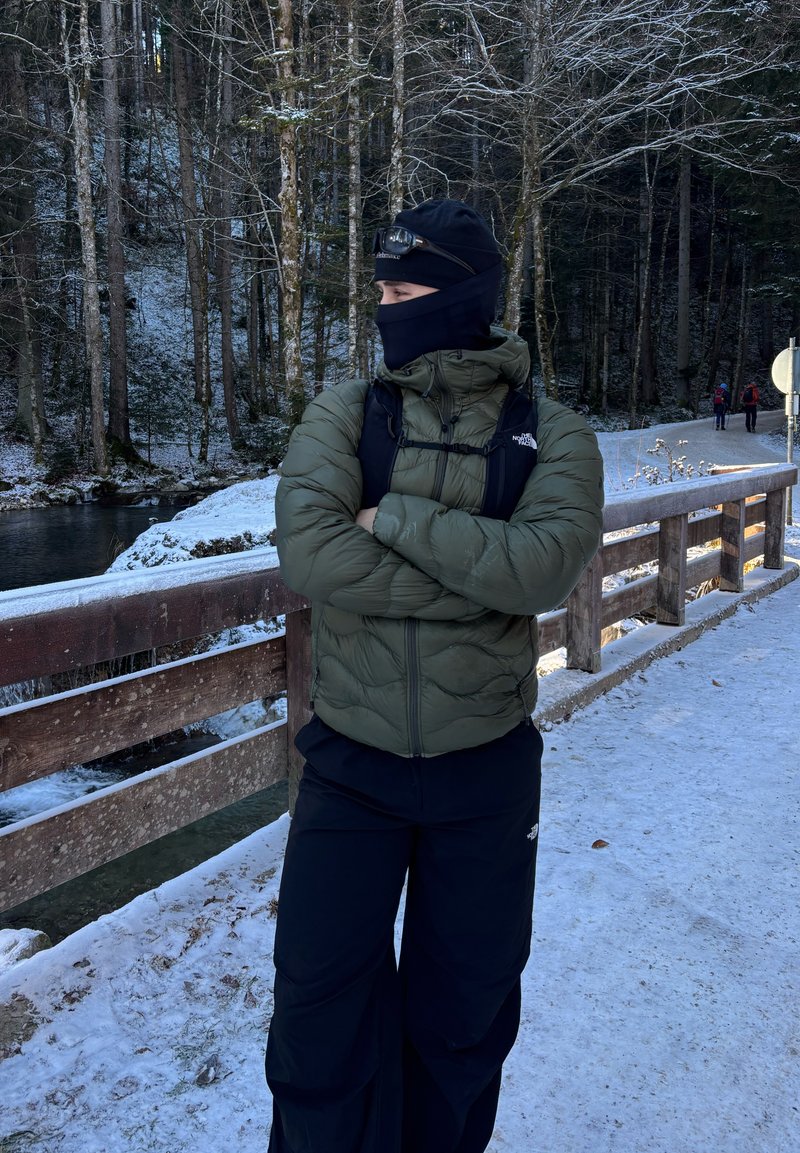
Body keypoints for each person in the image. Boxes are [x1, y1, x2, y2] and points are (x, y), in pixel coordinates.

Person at [266, 198, 605, 1153]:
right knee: (316, 1018)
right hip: (350, 767)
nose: (384, 305)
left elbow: (545, 567)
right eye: (380, 287)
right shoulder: (346, 412)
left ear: (462, 297)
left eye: (402, 287)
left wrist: (396, 522)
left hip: (485, 771)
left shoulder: (555, 433)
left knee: (462, 1024)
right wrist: (477, 572)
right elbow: (311, 556)